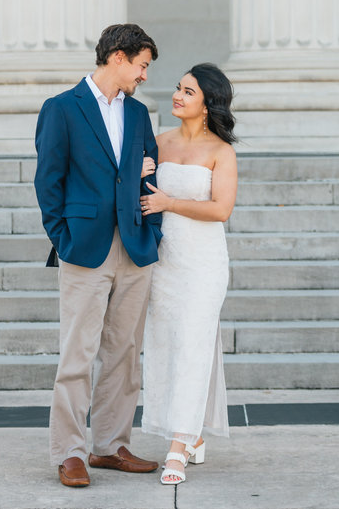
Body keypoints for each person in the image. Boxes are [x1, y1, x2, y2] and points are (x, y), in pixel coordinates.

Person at [34, 23, 163, 488]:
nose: (145, 76)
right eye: (142, 65)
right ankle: (70, 452)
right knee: (77, 353)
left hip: (134, 245)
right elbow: (48, 180)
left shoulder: (139, 113)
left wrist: (151, 230)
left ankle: (110, 445)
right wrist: (62, 236)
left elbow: (149, 173)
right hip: (84, 247)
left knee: (124, 352)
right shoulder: (62, 109)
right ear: (118, 58)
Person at [139, 62, 238, 485]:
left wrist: (170, 203)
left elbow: (221, 210)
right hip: (164, 261)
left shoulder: (221, 152)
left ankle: (178, 446)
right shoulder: (157, 143)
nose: (177, 96)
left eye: (189, 92)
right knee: (165, 345)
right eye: (179, 88)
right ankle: (191, 432)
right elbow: (138, 194)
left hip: (202, 263)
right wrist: (138, 178)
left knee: (195, 345)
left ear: (207, 103)